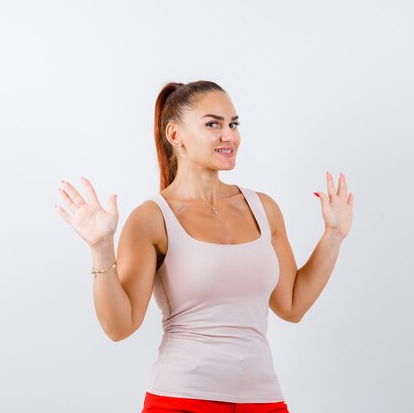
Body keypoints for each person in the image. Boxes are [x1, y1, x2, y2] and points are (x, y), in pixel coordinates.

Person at [56, 80, 353, 413]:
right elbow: (119, 326)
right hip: (181, 399)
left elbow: (292, 305)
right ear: (175, 135)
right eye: (213, 124)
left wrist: (333, 235)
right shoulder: (151, 218)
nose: (230, 135)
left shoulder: (263, 208)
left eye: (233, 124)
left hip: (264, 400)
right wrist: (100, 246)